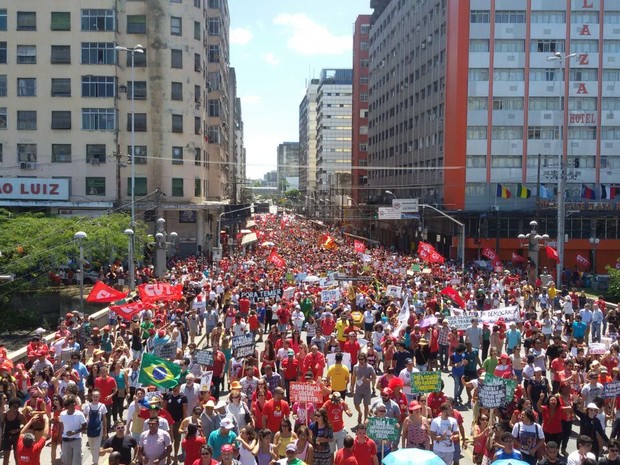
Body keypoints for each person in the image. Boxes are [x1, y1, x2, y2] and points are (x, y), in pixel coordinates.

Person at [58, 394, 87, 465]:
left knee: (77, 462)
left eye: (74, 405)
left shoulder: (80, 414)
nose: (74, 407)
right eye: (72, 406)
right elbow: (61, 427)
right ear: (67, 406)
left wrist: (75, 432)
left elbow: (85, 427)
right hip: (65, 441)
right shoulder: (62, 414)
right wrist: (59, 437)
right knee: (67, 462)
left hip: (76, 440)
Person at [83, 388, 108, 465]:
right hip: (90, 429)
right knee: (91, 447)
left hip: (99, 429)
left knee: (97, 447)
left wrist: (105, 431)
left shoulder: (102, 406)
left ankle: (95, 462)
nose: (95, 398)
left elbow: (104, 419)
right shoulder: (87, 406)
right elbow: (83, 417)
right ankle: (95, 459)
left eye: (97, 396)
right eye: (94, 396)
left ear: (99, 397)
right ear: (91, 397)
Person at [350, 353, 376, 424]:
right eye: (359, 359)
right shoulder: (355, 367)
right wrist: (352, 387)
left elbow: (374, 377)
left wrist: (368, 380)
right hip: (358, 389)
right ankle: (360, 413)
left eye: (362, 359)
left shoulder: (369, 367)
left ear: (365, 359)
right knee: (356, 404)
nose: (360, 361)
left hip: (366, 389)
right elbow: (353, 377)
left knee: (366, 405)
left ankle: (365, 420)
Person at [2, 397, 24, 465]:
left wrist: (17, 430)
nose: (16, 409)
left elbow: (24, 424)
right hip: (7, 436)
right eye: (14, 406)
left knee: (17, 457)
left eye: (17, 407)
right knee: (6, 458)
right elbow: (2, 425)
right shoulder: (4, 414)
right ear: (10, 406)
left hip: (17, 436)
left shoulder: (20, 415)